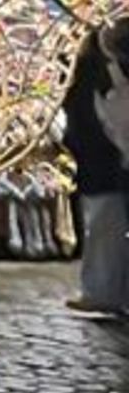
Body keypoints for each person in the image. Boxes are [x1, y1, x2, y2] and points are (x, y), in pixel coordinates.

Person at [63, 24, 129, 317]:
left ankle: (103, 290)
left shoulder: (97, 68)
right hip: (106, 159)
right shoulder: (101, 67)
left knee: (105, 225)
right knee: (106, 224)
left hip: (105, 160)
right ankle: (106, 290)